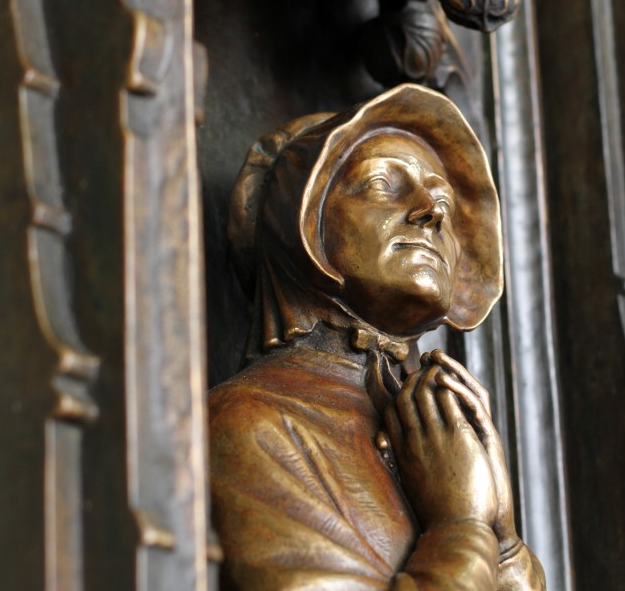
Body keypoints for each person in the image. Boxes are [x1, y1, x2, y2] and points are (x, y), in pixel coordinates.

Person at [210, 84, 545, 590]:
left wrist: (505, 543)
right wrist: (460, 529)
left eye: (445, 205)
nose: (432, 213)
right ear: (300, 223)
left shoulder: (439, 424)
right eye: (384, 183)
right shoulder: (252, 426)